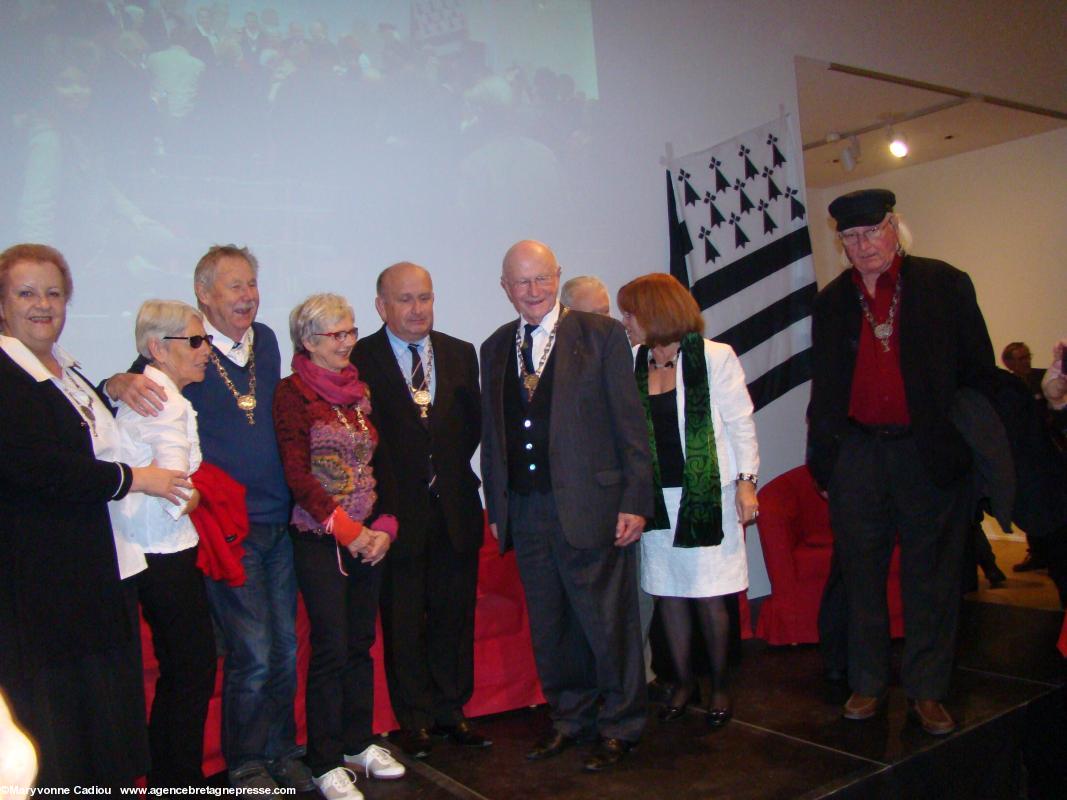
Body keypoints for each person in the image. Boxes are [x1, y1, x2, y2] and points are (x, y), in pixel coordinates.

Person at [105, 244, 309, 791]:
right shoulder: (178, 353)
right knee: (254, 654)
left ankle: (282, 751)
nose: (248, 296)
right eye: (234, 286)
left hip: (279, 519)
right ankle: (245, 764)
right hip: (227, 528)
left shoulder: (265, 342)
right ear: (204, 294)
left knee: (286, 649)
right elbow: (130, 386)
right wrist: (113, 383)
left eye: (252, 284)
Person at [807, 189, 997, 736]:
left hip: (927, 453)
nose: (862, 245)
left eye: (871, 231)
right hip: (858, 455)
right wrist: (825, 459)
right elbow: (825, 388)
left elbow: (978, 374)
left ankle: (928, 690)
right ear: (840, 242)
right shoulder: (832, 302)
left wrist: (964, 449)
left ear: (895, 228)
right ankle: (868, 684)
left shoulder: (945, 284)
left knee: (932, 579)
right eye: (849, 236)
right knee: (861, 575)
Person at [0, 243, 190, 787]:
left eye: (54, 293)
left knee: (104, 715)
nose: (43, 304)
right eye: (27, 293)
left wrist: (110, 386)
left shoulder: (65, 368)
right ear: (2, 304)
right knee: (60, 722)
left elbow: (92, 438)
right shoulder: (6, 376)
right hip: (43, 581)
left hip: (99, 569)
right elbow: (44, 469)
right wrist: (139, 480)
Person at [480, 240, 652, 772]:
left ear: (557, 277)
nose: (532, 292)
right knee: (552, 626)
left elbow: (631, 424)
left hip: (592, 507)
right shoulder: (493, 346)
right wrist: (495, 505)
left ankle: (622, 723)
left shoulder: (600, 335)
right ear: (505, 287)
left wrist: (634, 499)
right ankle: (570, 719)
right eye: (521, 283)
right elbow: (495, 433)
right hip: (527, 512)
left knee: (608, 625)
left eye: (541, 279)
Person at [352, 263, 489, 758]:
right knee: (404, 618)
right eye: (406, 299)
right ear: (381, 306)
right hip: (393, 514)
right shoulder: (359, 357)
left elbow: (471, 426)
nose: (417, 310)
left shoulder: (459, 352)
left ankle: (453, 710)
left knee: (454, 616)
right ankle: (415, 720)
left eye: (425, 298)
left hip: (453, 506)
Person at [273, 293, 405, 800]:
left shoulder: (359, 392)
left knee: (359, 645)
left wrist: (384, 528)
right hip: (320, 539)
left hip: (368, 539)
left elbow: (380, 464)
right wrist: (347, 531)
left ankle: (357, 742)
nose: (349, 342)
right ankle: (325, 760)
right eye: (337, 334)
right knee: (329, 649)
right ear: (308, 341)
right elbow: (297, 474)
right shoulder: (292, 394)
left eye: (351, 331)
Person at [616, 273, 758, 729]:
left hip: (706, 496)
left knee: (708, 596)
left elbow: (741, 422)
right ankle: (680, 682)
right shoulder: (635, 360)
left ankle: (718, 683)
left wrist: (746, 481)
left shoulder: (715, 357)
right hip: (658, 498)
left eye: (631, 313)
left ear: (656, 312)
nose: (626, 322)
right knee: (669, 594)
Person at [110, 299, 218, 787]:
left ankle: (174, 778)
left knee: (184, 670)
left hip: (146, 548)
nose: (206, 351)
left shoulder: (147, 392)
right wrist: (197, 499)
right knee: (191, 671)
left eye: (206, 340)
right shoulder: (165, 400)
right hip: (163, 551)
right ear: (158, 347)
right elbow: (175, 492)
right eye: (195, 341)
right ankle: (179, 781)